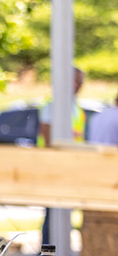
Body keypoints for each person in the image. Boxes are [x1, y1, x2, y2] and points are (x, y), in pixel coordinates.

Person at [37, 67, 85, 244]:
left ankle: (60, 250)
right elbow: (47, 136)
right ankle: (47, 252)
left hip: (72, 166)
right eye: (75, 81)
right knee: (53, 214)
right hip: (55, 167)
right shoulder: (53, 106)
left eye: (81, 81)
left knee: (65, 213)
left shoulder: (74, 107)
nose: (79, 85)